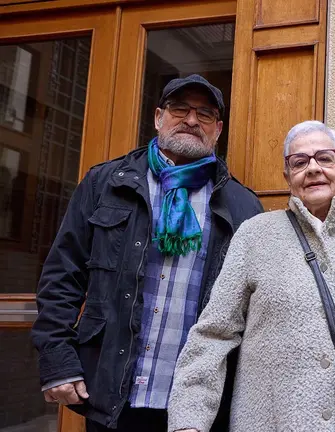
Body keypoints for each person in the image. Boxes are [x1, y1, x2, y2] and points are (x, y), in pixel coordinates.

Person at [31, 74, 264, 432]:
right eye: (179, 109)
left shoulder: (243, 204)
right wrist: (57, 360)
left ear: (217, 129)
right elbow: (63, 275)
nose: (190, 120)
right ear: (158, 117)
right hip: (111, 395)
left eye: (204, 114)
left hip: (199, 404)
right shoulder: (105, 183)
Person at [167, 120, 335, 432]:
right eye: (300, 162)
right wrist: (189, 420)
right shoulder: (256, 235)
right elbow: (214, 333)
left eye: (325, 158)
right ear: (287, 176)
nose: (314, 169)